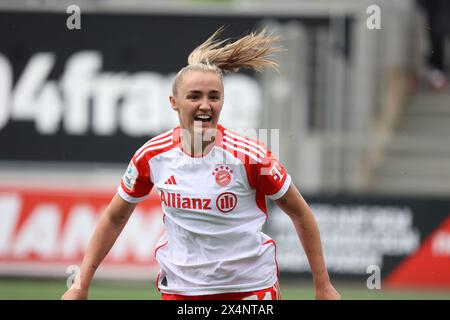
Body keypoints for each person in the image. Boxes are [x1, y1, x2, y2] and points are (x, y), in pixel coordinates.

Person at [61, 27, 341, 300]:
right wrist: (80, 285)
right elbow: (114, 216)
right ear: (174, 102)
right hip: (181, 291)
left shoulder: (251, 157)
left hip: (250, 289)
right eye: (194, 96)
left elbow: (300, 213)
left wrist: (323, 286)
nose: (205, 105)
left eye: (213, 97)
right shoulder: (152, 156)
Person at [417, 0, 450, 91]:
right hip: (435, 10)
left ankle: (439, 72)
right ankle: (438, 72)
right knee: (437, 36)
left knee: (438, 35)